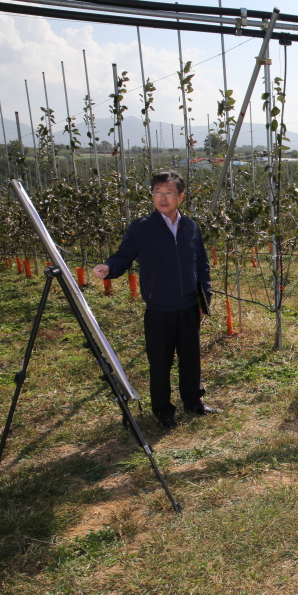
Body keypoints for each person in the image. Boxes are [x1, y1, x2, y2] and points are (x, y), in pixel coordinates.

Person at [93, 170, 214, 430]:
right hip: (158, 309)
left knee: (191, 358)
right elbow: (124, 255)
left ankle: (193, 402)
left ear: (180, 197)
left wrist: (205, 299)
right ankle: (163, 411)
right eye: (157, 192)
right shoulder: (143, 227)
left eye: (169, 192)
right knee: (159, 362)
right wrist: (109, 268)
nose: (163, 197)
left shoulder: (190, 227)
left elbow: (201, 265)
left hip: (189, 305)